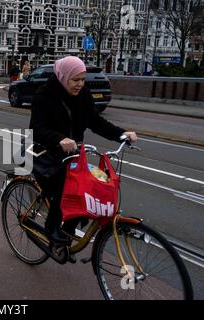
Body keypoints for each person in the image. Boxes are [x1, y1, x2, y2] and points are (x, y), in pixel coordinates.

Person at [29, 56, 137, 250]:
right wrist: (59, 139)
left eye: (82, 79)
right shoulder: (43, 96)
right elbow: (36, 128)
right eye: (75, 80)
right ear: (63, 77)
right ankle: (52, 227)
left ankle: (67, 229)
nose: (80, 84)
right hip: (45, 152)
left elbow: (95, 122)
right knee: (66, 184)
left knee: (90, 186)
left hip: (73, 154)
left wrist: (120, 134)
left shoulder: (83, 95)